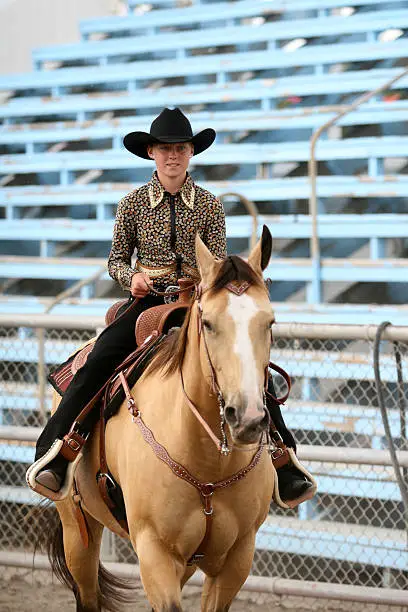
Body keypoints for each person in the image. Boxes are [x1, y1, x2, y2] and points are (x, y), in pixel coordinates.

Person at [28, 107, 313, 505]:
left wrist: (202, 284)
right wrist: (134, 279)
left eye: (180, 148)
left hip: (198, 304)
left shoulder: (211, 206)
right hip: (146, 304)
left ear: (191, 152)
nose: (172, 156)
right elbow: (114, 260)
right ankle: (55, 452)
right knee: (98, 362)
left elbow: (218, 266)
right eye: (164, 149)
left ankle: (283, 459)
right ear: (151, 153)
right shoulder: (132, 204)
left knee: (245, 363)